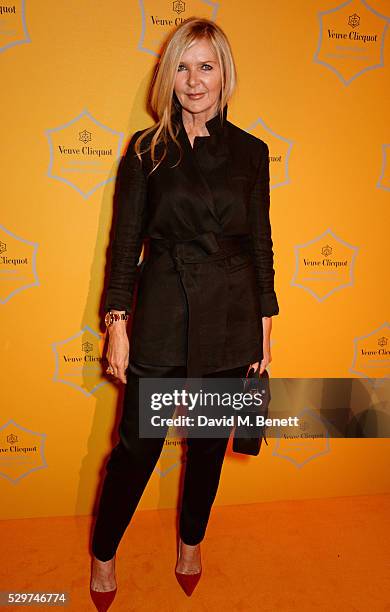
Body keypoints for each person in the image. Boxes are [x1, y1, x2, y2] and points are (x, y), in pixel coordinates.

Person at [89, 16, 279, 610]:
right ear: (166, 75)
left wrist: (265, 329)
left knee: (206, 445)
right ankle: (103, 550)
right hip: (165, 314)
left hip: (230, 314)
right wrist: (116, 323)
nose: (194, 80)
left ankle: (191, 543)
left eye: (206, 65)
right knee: (138, 448)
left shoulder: (251, 152)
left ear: (225, 75)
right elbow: (125, 246)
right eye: (182, 65)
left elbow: (261, 245)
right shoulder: (146, 151)